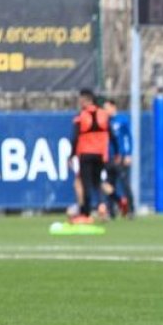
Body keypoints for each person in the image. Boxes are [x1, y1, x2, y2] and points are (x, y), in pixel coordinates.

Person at [69, 89, 113, 224]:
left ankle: (86, 214)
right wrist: (116, 152)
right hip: (100, 154)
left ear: (86, 100)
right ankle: (102, 206)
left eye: (81, 99)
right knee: (97, 182)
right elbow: (111, 135)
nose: (80, 102)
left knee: (85, 184)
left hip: (86, 154)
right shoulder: (103, 114)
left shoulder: (81, 115)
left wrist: (71, 155)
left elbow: (75, 138)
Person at [102, 99, 133, 219]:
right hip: (108, 158)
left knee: (125, 184)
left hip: (121, 158)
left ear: (113, 107)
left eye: (106, 108)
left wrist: (128, 154)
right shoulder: (105, 122)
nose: (105, 111)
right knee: (109, 184)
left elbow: (128, 138)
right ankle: (111, 211)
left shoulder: (122, 120)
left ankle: (130, 209)